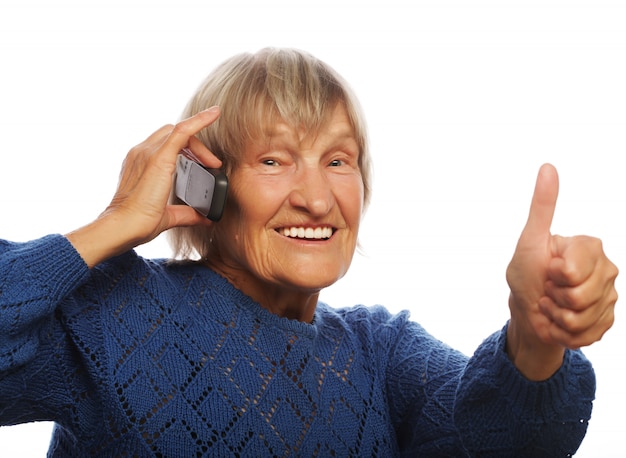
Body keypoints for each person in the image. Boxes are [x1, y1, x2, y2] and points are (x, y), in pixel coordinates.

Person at [0, 47, 617, 457]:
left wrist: (536, 340)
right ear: (204, 186)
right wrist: (111, 226)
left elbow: (506, 441)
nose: (319, 199)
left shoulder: (381, 350)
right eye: (274, 160)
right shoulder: (118, 305)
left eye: (338, 160)